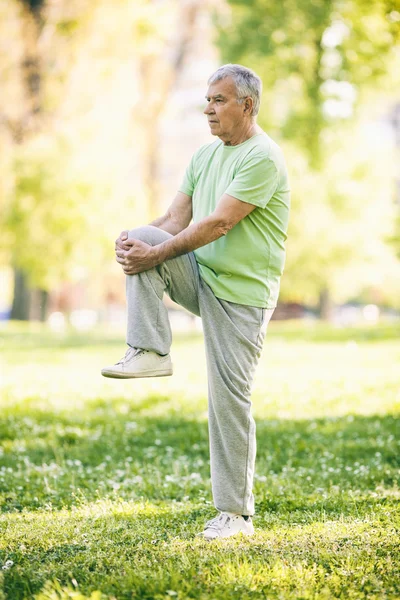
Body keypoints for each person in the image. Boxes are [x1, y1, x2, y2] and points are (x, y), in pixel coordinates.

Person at [102, 64, 290, 540]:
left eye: (219, 100)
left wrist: (154, 255)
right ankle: (149, 352)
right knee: (145, 236)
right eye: (207, 99)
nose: (208, 108)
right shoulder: (205, 156)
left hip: (243, 296)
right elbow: (174, 218)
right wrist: (134, 244)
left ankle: (235, 515)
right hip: (203, 275)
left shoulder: (262, 157)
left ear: (246, 105)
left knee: (228, 399)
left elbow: (217, 224)